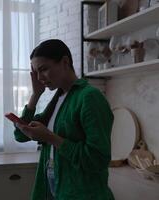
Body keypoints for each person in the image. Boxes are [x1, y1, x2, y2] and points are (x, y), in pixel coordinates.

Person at [13, 39, 115, 200]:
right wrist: (35, 95)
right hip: (55, 185)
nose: (39, 77)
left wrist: (50, 138)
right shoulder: (59, 98)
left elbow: (98, 159)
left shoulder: (89, 97)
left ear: (65, 62)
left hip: (83, 192)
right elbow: (20, 135)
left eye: (44, 69)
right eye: (35, 72)